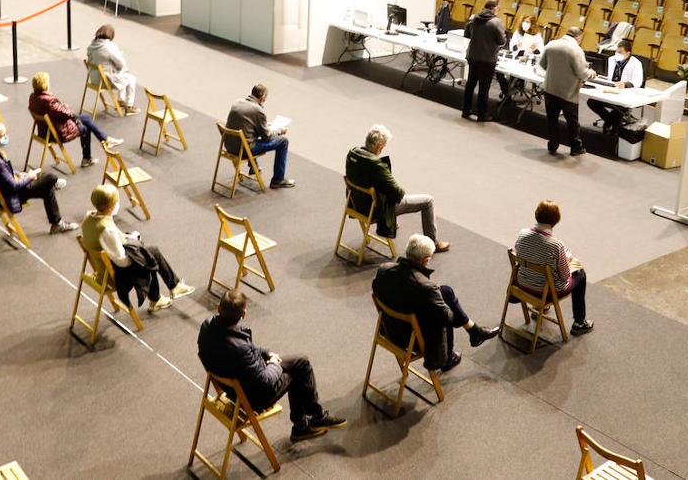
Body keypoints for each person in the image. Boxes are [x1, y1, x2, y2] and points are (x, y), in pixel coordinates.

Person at [197, 289, 347, 441]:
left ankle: (306, 423)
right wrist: (274, 364)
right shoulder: (239, 349)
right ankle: (309, 422)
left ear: (218, 308)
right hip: (253, 396)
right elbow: (265, 382)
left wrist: (267, 353)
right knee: (300, 369)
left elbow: (248, 350)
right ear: (244, 314)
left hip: (233, 385)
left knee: (300, 362)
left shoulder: (206, 327)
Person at [372, 234, 499, 373]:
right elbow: (448, 318)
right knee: (445, 303)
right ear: (425, 260)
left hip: (390, 329)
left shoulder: (384, 269)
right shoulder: (425, 286)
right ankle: (451, 356)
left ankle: (474, 331)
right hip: (413, 338)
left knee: (445, 292)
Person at [80, 184, 194, 312]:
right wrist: (135, 245)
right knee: (148, 255)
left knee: (147, 252)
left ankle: (162, 294)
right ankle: (168, 290)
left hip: (101, 267)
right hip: (114, 275)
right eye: (116, 202)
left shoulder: (89, 216)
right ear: (110, 206)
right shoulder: (107, 230)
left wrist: (129, 240)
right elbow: (122, 261)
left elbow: (109, 243)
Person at [345, 124, 449, 252]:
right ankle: (432, 244)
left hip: (356, 204)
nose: (383, 148)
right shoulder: (376, 165)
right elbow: (398, 194)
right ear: (379, 145)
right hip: (376, 210)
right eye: (383, 146)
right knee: (428, 201)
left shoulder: (352, 153)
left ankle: (393, 220)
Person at [0, 120, 76, 235]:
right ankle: (55, 185)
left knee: (47, 188)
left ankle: (56, 223)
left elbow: (3, 173)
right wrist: (29, 177)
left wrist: (18, 174)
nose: (5, 137)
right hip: (6, 197)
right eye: (2, 136)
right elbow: (13, 186)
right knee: (50, 178)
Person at [512, 200, 593, 336]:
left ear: (536, 214)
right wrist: (567, 260)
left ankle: (540, 307)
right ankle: (579, 323)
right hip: (545, 292)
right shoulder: (556, 245)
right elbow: (563, 276)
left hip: (522, 284)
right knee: (580, 274)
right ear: (556, 220)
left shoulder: (522, 233)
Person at [28, 71, 122, 168]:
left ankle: (104, 139)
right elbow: (66, 114)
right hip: (59, 131)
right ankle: (88, 156)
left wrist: (63, 107)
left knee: (86, 118)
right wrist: (65, 106)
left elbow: (59, 112)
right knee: (86, 127)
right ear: (45, 85)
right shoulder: (49, 101)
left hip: (44, 131)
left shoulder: (33, 97)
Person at [538, 26, 595, 156]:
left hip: (550, 88)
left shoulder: (552, 44)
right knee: (572, 121)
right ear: (579, 37)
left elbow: (542, 65)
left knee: (552, 119)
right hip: (568, 92)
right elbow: (582, 73)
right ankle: (575, 147)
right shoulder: (576, 50)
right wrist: (591, 73)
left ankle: (553, 145)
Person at [224, 84, 293, 189]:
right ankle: (278, 180)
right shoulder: (257, 110)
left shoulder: (237, 102)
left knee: (249, 137)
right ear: (263, 97)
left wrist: (265, 126)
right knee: (283, 141)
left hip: (229, 146)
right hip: (243, 150)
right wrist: (279, 131)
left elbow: (247, 126)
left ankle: (253, 167)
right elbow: (267, 137)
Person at [462, 0, 507, 122]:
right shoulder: (496, 22)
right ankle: (482, 114)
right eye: (498, 7)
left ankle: (465, 110)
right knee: (484, 88)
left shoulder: (473, 19)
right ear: (494, 8)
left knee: (470, 84)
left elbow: (466, 35)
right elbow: (502, 41)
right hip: (487, 59)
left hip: (472, 56)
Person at [587, 39, 644, 134]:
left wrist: (625, 84)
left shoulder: (636, 63)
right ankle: (611, 122)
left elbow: (638, 82)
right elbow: (607, 76)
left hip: (625, 94)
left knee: (620, 107)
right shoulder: (611, 59)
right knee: (591, 102)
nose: (617, 54)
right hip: (611, 90)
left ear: (628, 53)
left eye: (620, 52)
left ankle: (610, 124)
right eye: (617, 51)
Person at [86, 24, 139, 114]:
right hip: (105, 80)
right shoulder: (108, 47)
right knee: (130, 78)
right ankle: (129, 105)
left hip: (94, 79)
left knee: (123, 74)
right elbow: (121, 64)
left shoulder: (91, 45)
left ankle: (121, 101)